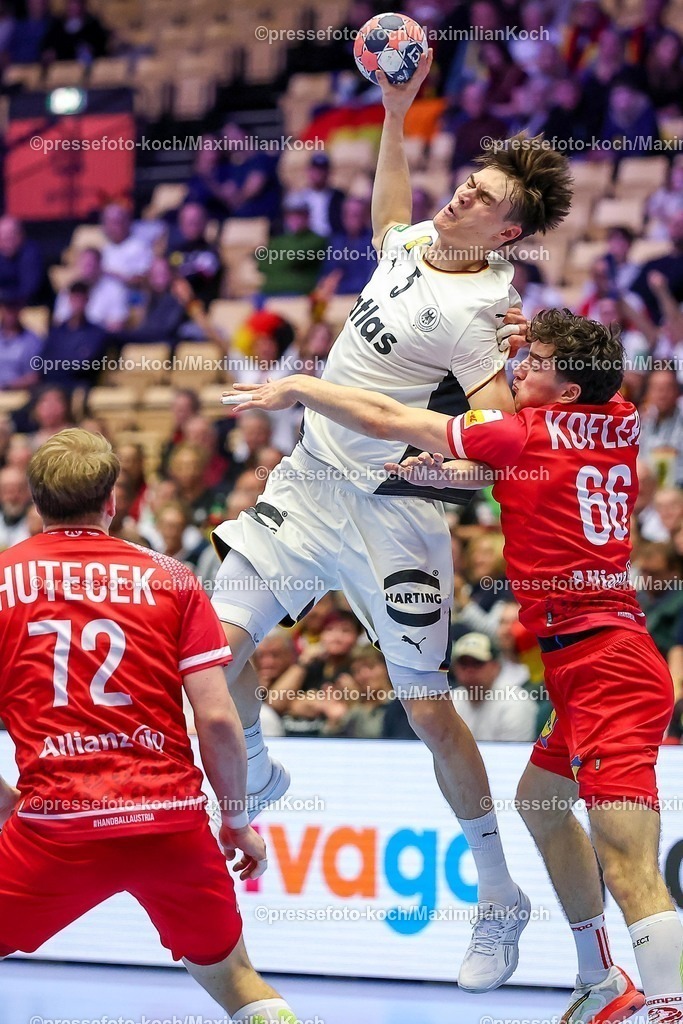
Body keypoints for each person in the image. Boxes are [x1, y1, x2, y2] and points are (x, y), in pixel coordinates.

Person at [212, 51, 573, 993]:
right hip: (309, 480)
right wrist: (394, 107)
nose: (457, 200)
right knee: (210, 654)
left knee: (425, 709)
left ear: (510, 226)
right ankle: (252, 767)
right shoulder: (414, 246)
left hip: (392, 515)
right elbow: (386, 220)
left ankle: (498, 899)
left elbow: (502, 438)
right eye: (461, 185)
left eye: (479, 197)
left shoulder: (485, 311)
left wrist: (440, 462)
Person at [228, 307, 683, 1024]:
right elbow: (559, 406)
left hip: (606, 669)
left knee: (627, 863)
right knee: (539, 802)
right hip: (586, 661)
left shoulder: (518, 431)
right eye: (521, 354)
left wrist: (303, 391)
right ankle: (600, 976)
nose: (517, 368)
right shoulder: (619, 418)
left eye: (533, 362)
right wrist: (523, 335)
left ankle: (668, 1007)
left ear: (566, 392)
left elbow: (381, 416)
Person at [0, 429, 299, 1024]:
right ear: (113, 500)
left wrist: (6, 801)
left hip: (56, 829)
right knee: (237, 981)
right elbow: (216, 719)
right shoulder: (174, 579)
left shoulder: (4, 580)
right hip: (170, 825)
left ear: (35, 503)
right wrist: (236, 822)